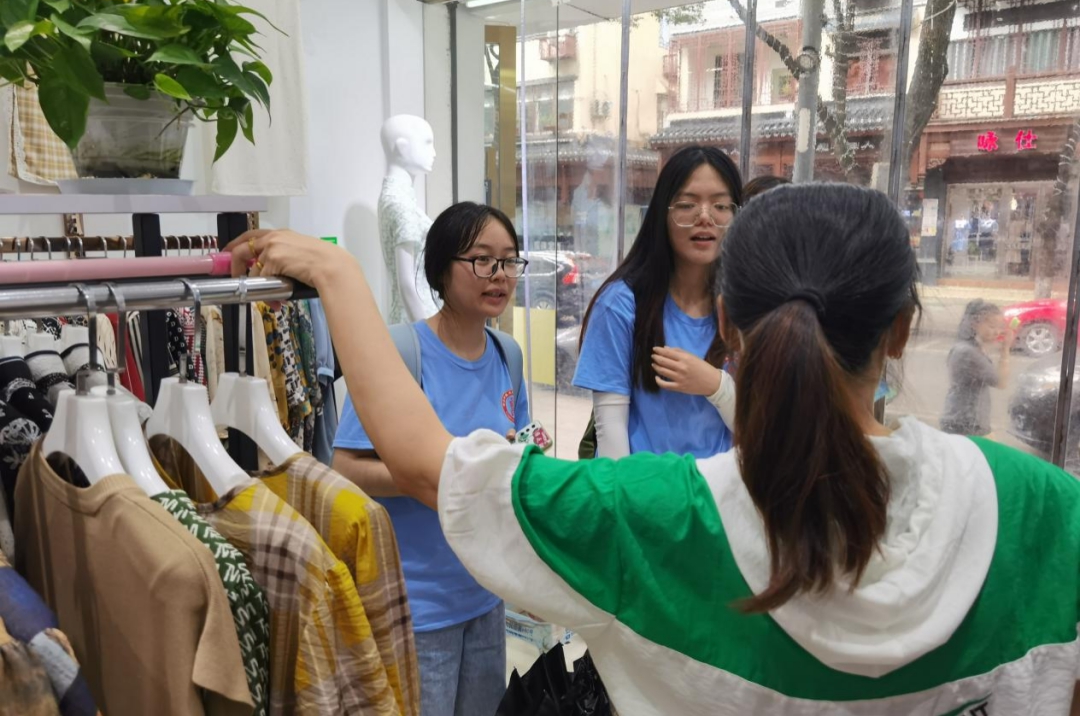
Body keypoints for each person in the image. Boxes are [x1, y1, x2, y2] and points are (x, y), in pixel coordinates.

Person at [230, 184, 1080, 715]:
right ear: (901, 330)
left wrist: (337, 277)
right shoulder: (1041, 505)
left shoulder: (653, 517)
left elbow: (428, 463)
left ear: (729, 328)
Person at [331, 202, 531, 716]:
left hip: (487, 591)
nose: (500, 274)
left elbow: (515, 450)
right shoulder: (400, 354)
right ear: (442, 269)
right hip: (416, 604)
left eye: (510, 260)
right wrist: (446, 472)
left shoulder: (507, 354)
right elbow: (345, 468)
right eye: (482, 260)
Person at [573, 145, 743, 459]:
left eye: (720, 205)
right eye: (687, 204)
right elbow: (611, 438)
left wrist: (716, 385)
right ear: (662, 214)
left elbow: (760, 430)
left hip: (717, 488)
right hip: (642, 486)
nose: (705, 217)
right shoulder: (620, 304)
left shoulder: (744, 307)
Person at [940, 299, 1010, 437]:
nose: (997, 332)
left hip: (966, 421)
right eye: (992, 326)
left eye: (999, 327)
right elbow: (1001, 382)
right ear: (974, 324)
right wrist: (1005, 349)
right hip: (965, 424)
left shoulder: (969, 347)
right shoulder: (967, 352)